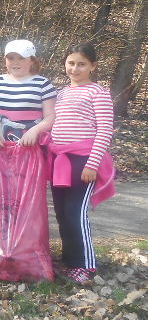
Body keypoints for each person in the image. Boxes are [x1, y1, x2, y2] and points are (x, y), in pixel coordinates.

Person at [46, 44, 115, 284]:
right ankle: (69, 260)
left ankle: (85, 265)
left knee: (76, 213)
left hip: (83, 161)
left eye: (82, 64)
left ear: (93, 67)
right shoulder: (61, 93)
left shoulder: (98, 92)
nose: (75, 68)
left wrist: (92, 165)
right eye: (71, 63)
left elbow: (105, 130)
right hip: (60, 161)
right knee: (62, 214)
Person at [0, 39, 56, 149]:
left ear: (32, 61)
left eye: (21, 58)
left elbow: (50, 116)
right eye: (11, 58)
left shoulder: (43, 84)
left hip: (29, 146)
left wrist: (35, 131)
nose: (16, 62)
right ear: (5, 60)